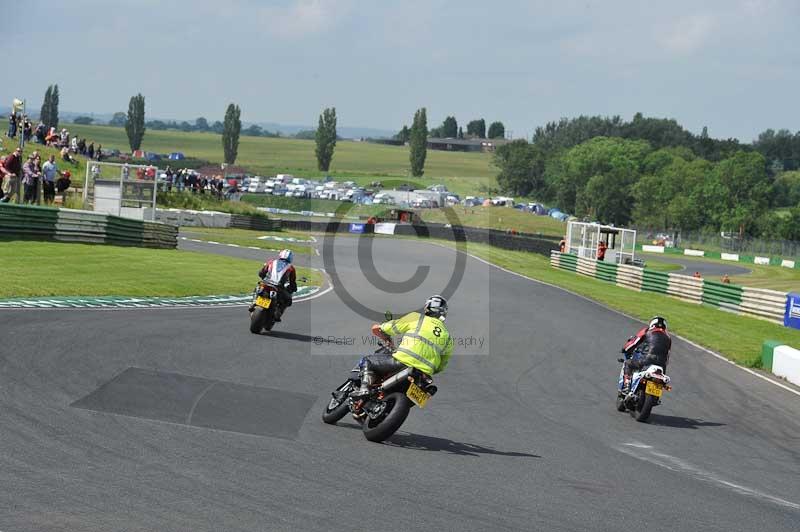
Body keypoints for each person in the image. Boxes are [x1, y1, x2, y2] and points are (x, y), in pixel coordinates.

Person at [354, 295, 453, 397]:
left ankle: (364, 388)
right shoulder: (448, 337)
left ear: (427, 308)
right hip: (424, 375)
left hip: (403, 362)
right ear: (444, 313)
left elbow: (392, 327)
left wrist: (381, 327)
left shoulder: (417, 318)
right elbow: (441, 366)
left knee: (367, 361)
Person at [619, 316, 671, 396]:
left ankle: (626, 385)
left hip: (647, 360)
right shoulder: (668, 338)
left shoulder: (647, 331)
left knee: (628, 363)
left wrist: (625, 349)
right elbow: (667, 355)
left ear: (652, 324)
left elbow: (634, 342)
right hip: (661, 365)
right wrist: (663, 370)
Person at [255, 249, 297, 322]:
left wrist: (264, 277)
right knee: (288, 300)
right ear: (290, 258)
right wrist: (294, 288)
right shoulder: (291, 268)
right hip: (278, 287)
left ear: (280, 255)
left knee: (258, 288)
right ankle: (278, 313)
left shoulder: (271, 262)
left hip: (266, 283)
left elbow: (261, 273)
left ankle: (253, 303)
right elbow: (292, 282)